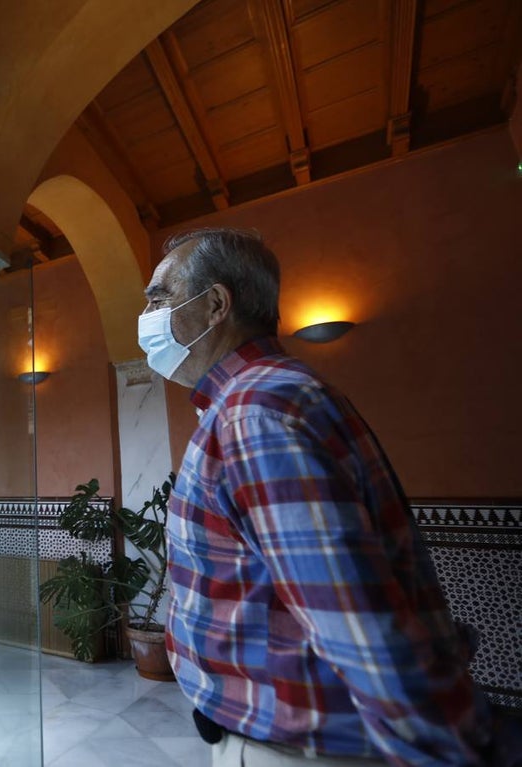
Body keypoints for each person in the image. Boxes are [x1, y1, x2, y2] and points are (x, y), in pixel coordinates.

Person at [138, 228, 498, 765]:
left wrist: (449, 752)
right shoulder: (267, 397)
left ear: (215, 305)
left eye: (159, 296)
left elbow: (360, 628)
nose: (146, 314)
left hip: (302, 750)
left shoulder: (254, 413)